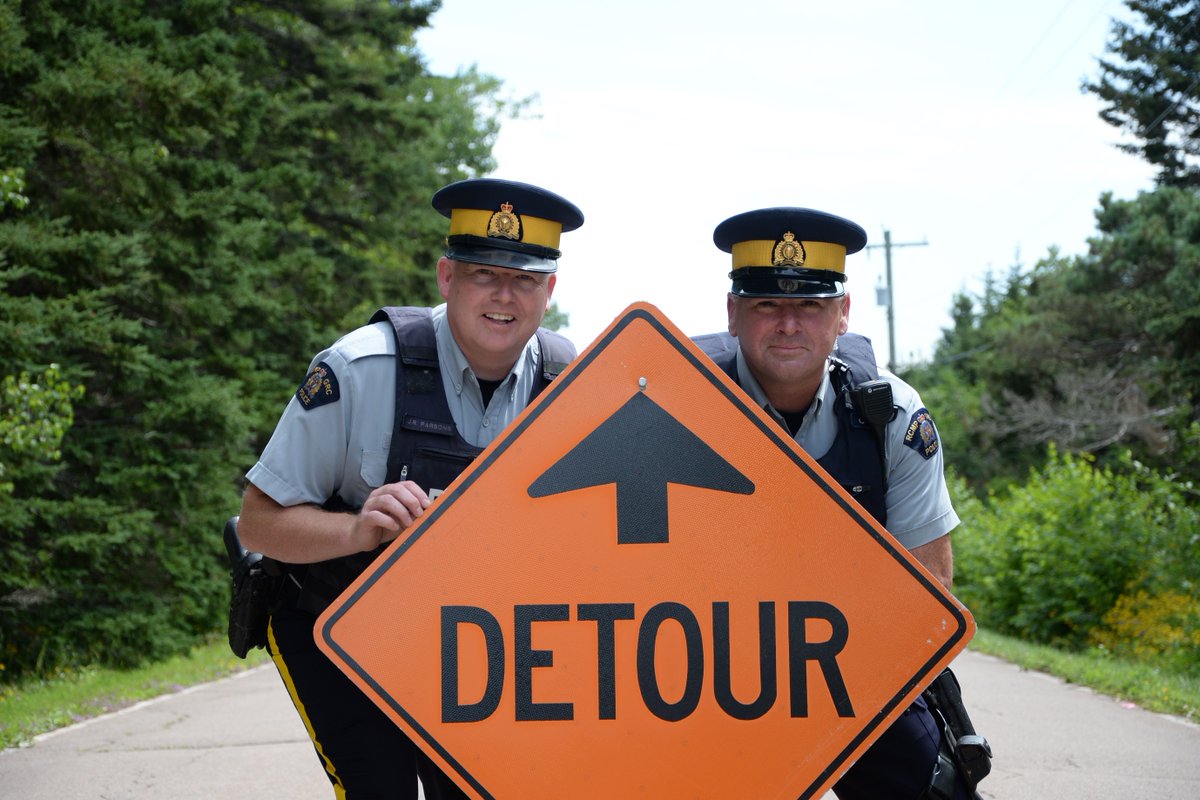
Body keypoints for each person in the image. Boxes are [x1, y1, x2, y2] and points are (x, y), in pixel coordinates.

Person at [238, 178, 584, 799]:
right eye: (484, 274)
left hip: (473, 646)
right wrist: (357, 529)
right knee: (380, 790)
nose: (505, 296)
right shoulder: (360, 369)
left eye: (526, 279)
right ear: (447, 277)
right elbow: (258, 523)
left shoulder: (568, 383)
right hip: (333, 622)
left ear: (550, 290)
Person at [695, 207, 973, 800]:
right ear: (733, 312)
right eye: (767, 304)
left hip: (853, 669)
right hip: (703, 679)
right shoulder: (681, 402)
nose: (789, 324)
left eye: (811, 306)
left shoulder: (890, 414)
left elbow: (932, 588)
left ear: (842, 314)